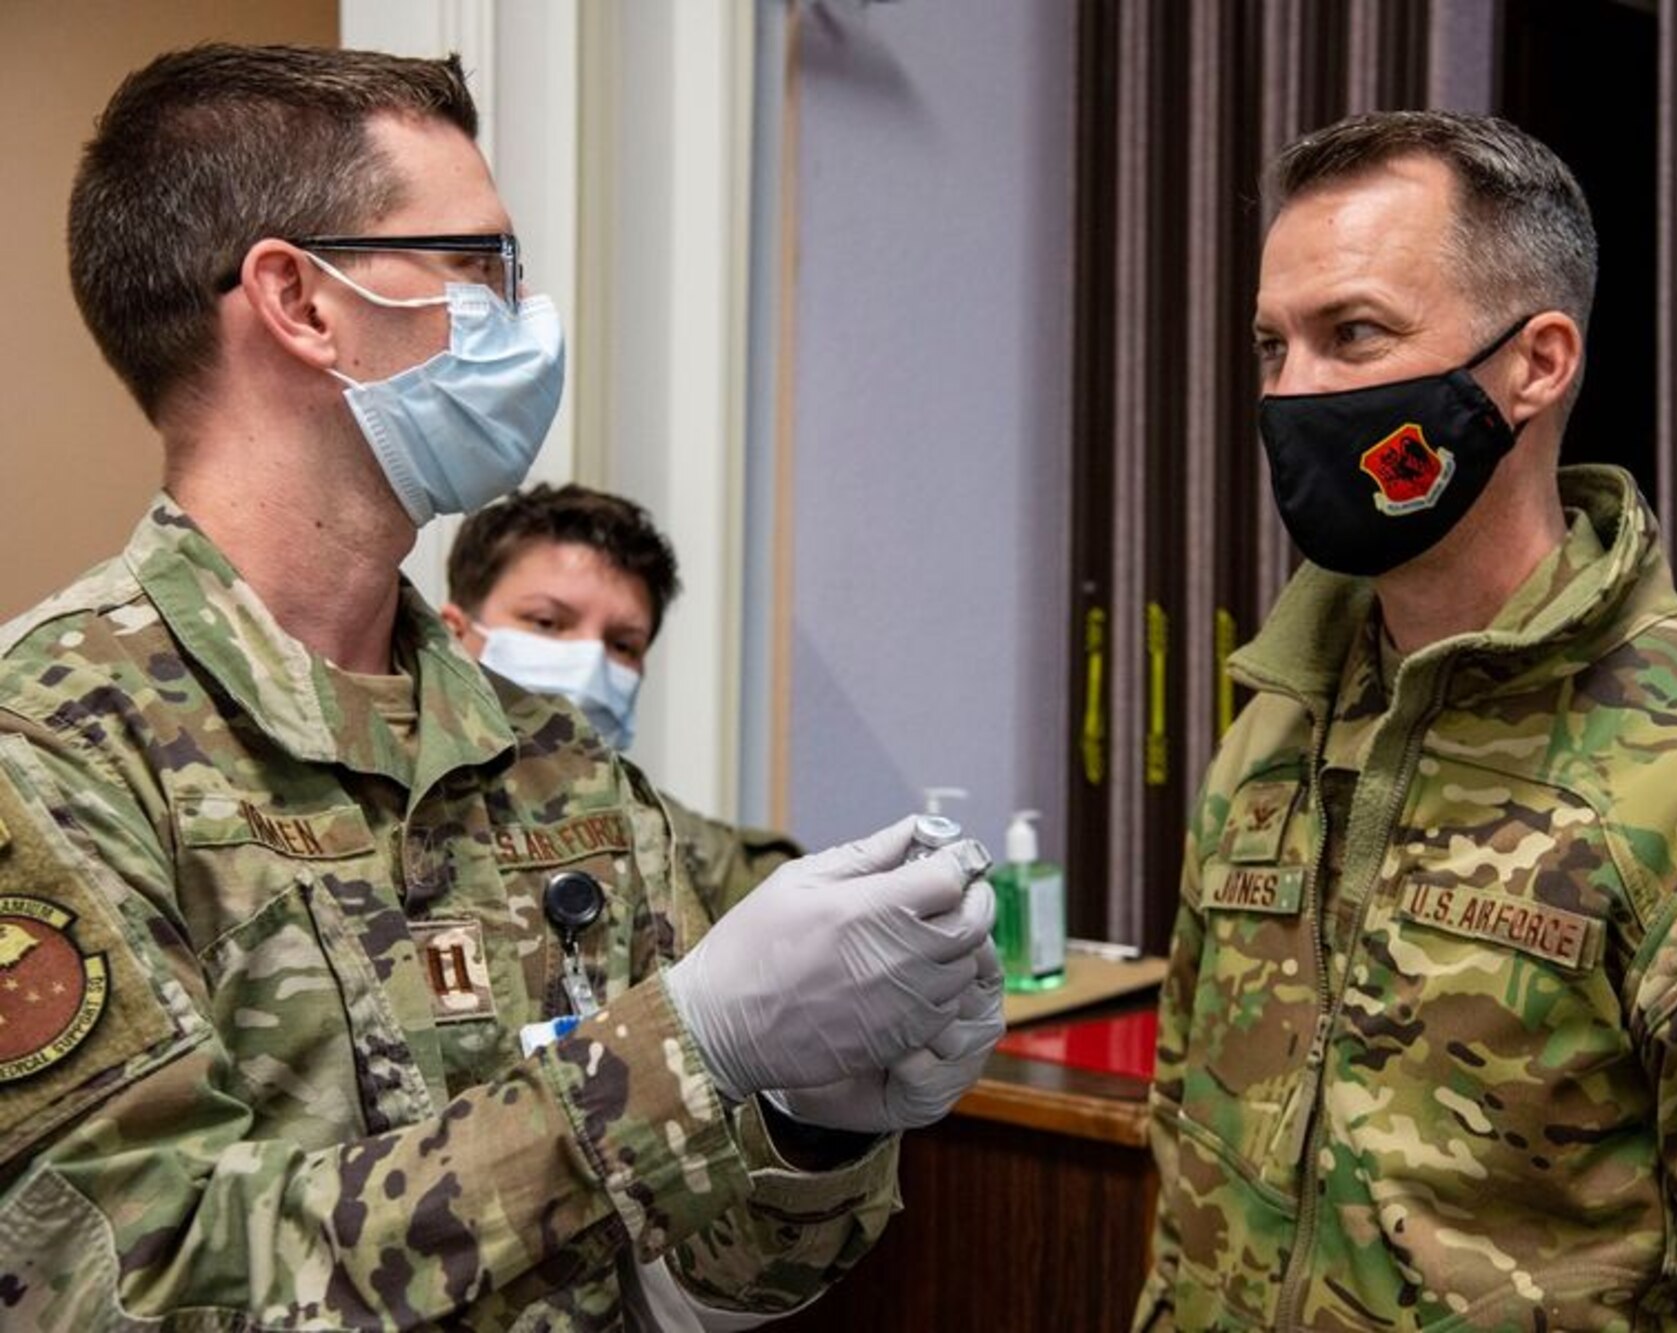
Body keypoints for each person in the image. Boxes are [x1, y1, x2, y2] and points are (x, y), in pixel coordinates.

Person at [0, 44, 1001, 1330]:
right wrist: (680, 1050)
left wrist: (812, 1121)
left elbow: (709, 1276)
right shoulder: (53, 750)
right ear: (301, 302)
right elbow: (131, 1291)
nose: (523, 317)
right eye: (479, 267)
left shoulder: (549, 761)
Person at [1136, 110, 1677, 1330]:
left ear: (1535, 362)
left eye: (1354, 335)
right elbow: (1188, 1183)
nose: (1293, 393)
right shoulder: (1273, 737)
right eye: (1272, 346)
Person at [439, 482, 801, 912]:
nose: (592, 661)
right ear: (454, 634)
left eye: (624, 644)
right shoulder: (375, 812)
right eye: (548, 622)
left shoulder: (679, 849)